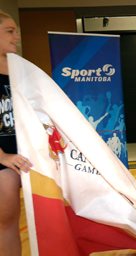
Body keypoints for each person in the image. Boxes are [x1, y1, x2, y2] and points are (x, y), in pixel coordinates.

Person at [0, 11, 33, 255]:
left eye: (17, 31)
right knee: (7, 223)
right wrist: (3, 157)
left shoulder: (19, 69)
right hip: (4, 159)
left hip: (23, 154)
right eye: (10, 31)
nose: (17, 37)